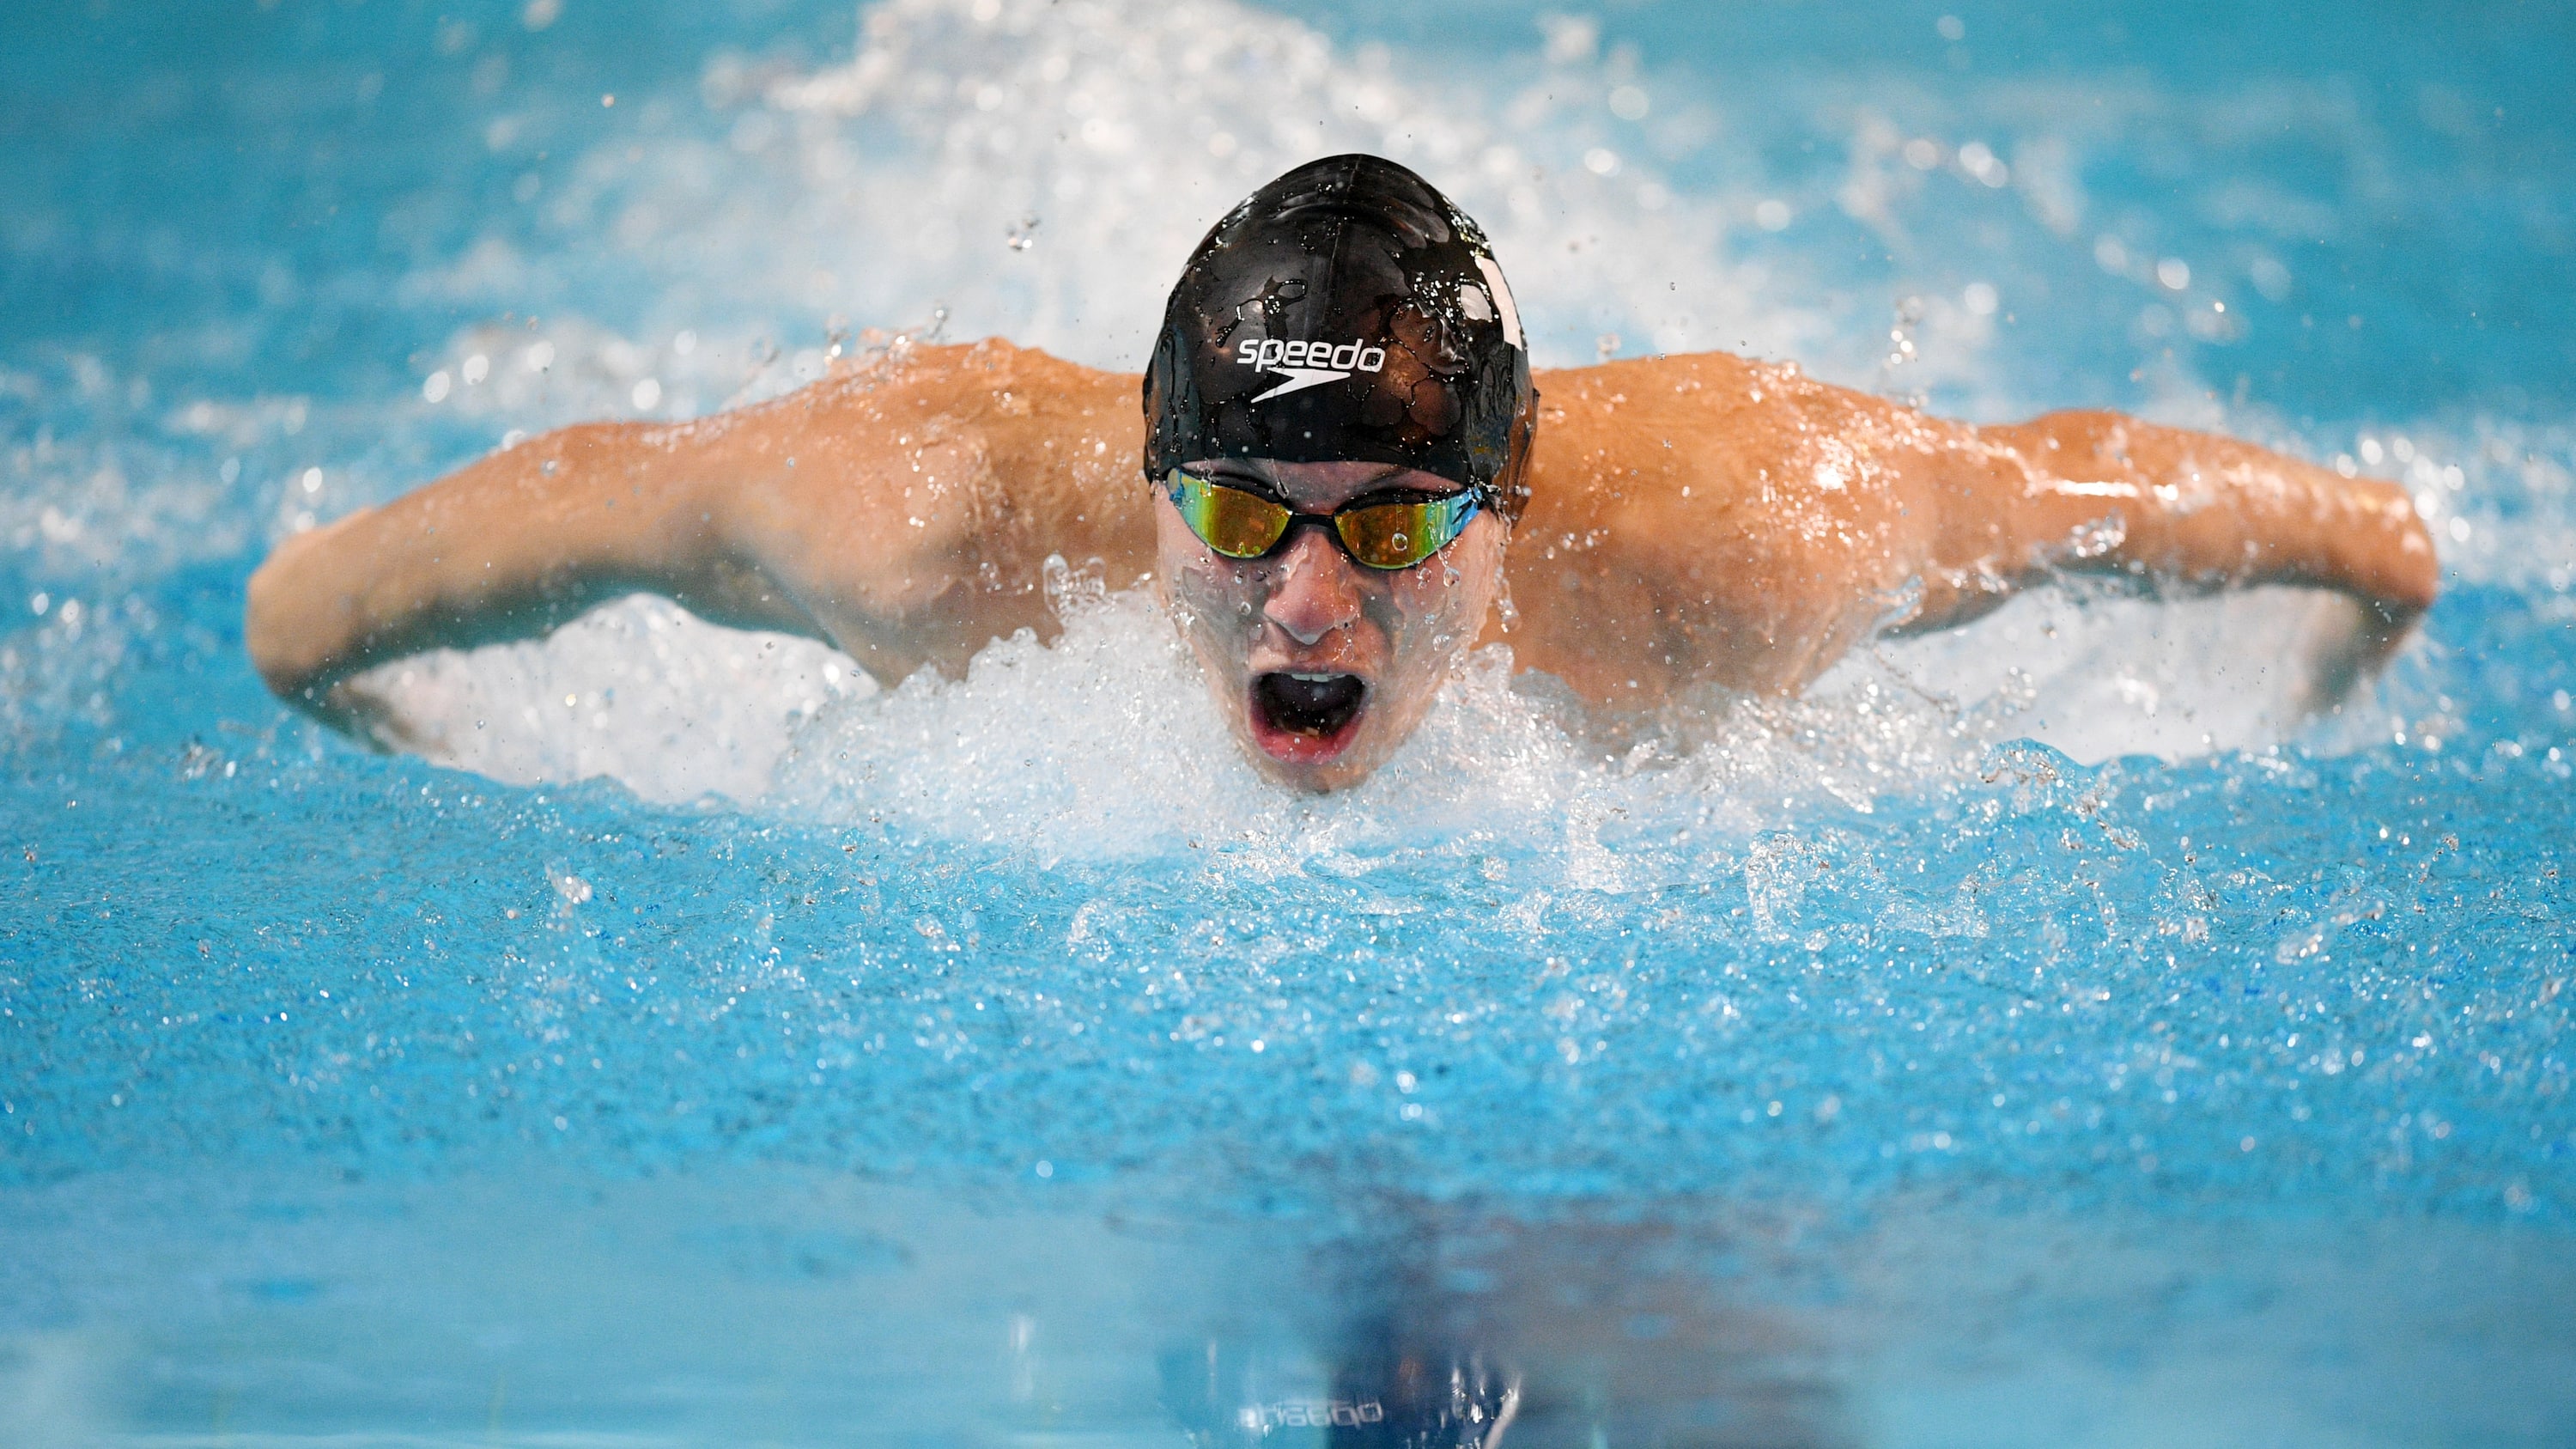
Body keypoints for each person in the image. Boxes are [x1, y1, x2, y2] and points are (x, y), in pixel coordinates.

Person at [245, 154, 2437, 793]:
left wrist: (2378, 581)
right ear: (1148, 478)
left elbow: (2057, 491)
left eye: (1390, 529)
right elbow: (356, 591)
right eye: (1237, 516)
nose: (1307, 609)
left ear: (1508, 504)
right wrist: (354, 684)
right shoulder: (909, 519)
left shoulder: (1740, 543)